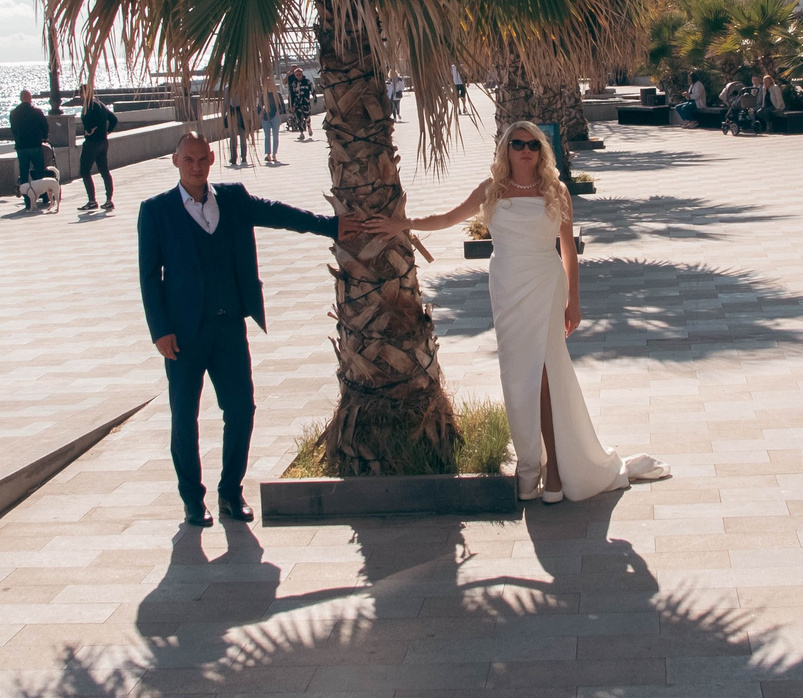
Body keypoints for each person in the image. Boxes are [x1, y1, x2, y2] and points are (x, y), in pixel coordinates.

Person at [382, 122, 666, 502]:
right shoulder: (491, 191)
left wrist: (574, 301)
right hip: (507, 288)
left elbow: (568, 249)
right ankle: (531, 466)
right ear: (506, 150)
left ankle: (552, 475)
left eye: (533, 144)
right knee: (517, 375)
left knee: (545, 371)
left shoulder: (556, 191)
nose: (525, 150)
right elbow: (449, 219)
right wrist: (404, 224)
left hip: (546, 285)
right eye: (517, 143)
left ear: (541, 151)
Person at [137, 130, 381, 527]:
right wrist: (159, 330)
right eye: (188, 160)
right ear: (176, 161)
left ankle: (230, 491)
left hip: (229, 326)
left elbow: (279, 214)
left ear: (212, 159)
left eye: (202, 159)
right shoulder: (156, 211)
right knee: (184, 417)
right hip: (183, 336)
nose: (196, 166)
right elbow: (150, 276)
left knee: (241, 408)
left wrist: (329, 226)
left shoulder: (232, 199)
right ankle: (192, 500)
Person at [78, 83, 118, 212]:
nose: (79, 96)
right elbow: (113, 119)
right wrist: (107, 131)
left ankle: (92, 200)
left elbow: (88, 123)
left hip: (92, 143)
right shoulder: (100, 104)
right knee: (104, 171)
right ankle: (109, 200)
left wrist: (89, 130)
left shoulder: (89, 106)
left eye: (80, 93)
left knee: (84, 170)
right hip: (103, 142)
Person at [10, 90, 51, 212]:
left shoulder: (14, 113)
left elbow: (13, 130)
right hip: (35, 146)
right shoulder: (37, 112)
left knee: (24, 173)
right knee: (39, 171)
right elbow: (45, 126)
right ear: (30, 98)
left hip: (21, 147)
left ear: (20, 98)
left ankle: (27, 199)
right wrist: (44, 136)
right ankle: (44, 196)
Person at [287, 66, 314, 139]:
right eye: (297, 75)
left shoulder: (307, 81)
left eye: (299, 74)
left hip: (305, 102)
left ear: (302, 74)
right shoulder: (294, 83)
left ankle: (309, 127)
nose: (298, 76)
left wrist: (314, 98)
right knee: (299, 118)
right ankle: (301, 133)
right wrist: (291, 104)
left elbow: (312, 89)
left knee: (307, 116)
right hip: (297, 103)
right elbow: (292, 94)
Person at [225, 95, 252, 168]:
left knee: (240, 136)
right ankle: (236, 157)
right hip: (234, 112)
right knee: (234, 136)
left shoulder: (239, 86)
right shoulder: (229, 88)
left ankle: (241, 157)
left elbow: (247, 99)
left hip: (240, 112)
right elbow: (225, 102)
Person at [259, 84, 283, 166]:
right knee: (267, 136)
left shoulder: (277, 94)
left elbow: (282, 106)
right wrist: (260, 112)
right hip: (266, 117)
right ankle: (268, 154)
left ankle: (274, 154)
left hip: (275, 116)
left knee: (275, 136)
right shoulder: (263, 95)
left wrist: (278, 112)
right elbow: (259, 106)